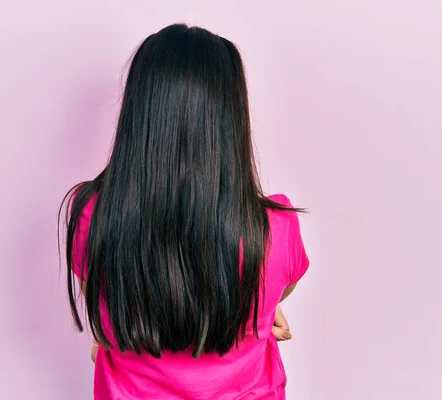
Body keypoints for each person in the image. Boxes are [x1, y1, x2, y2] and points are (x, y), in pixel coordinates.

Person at [60, 23, 310, 400]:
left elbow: (103, 293)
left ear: (139, 114)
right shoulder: (275, 227)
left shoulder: (91, 215)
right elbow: (279, 287)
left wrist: (107, 335)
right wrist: (253, 303)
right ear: (230, 119)